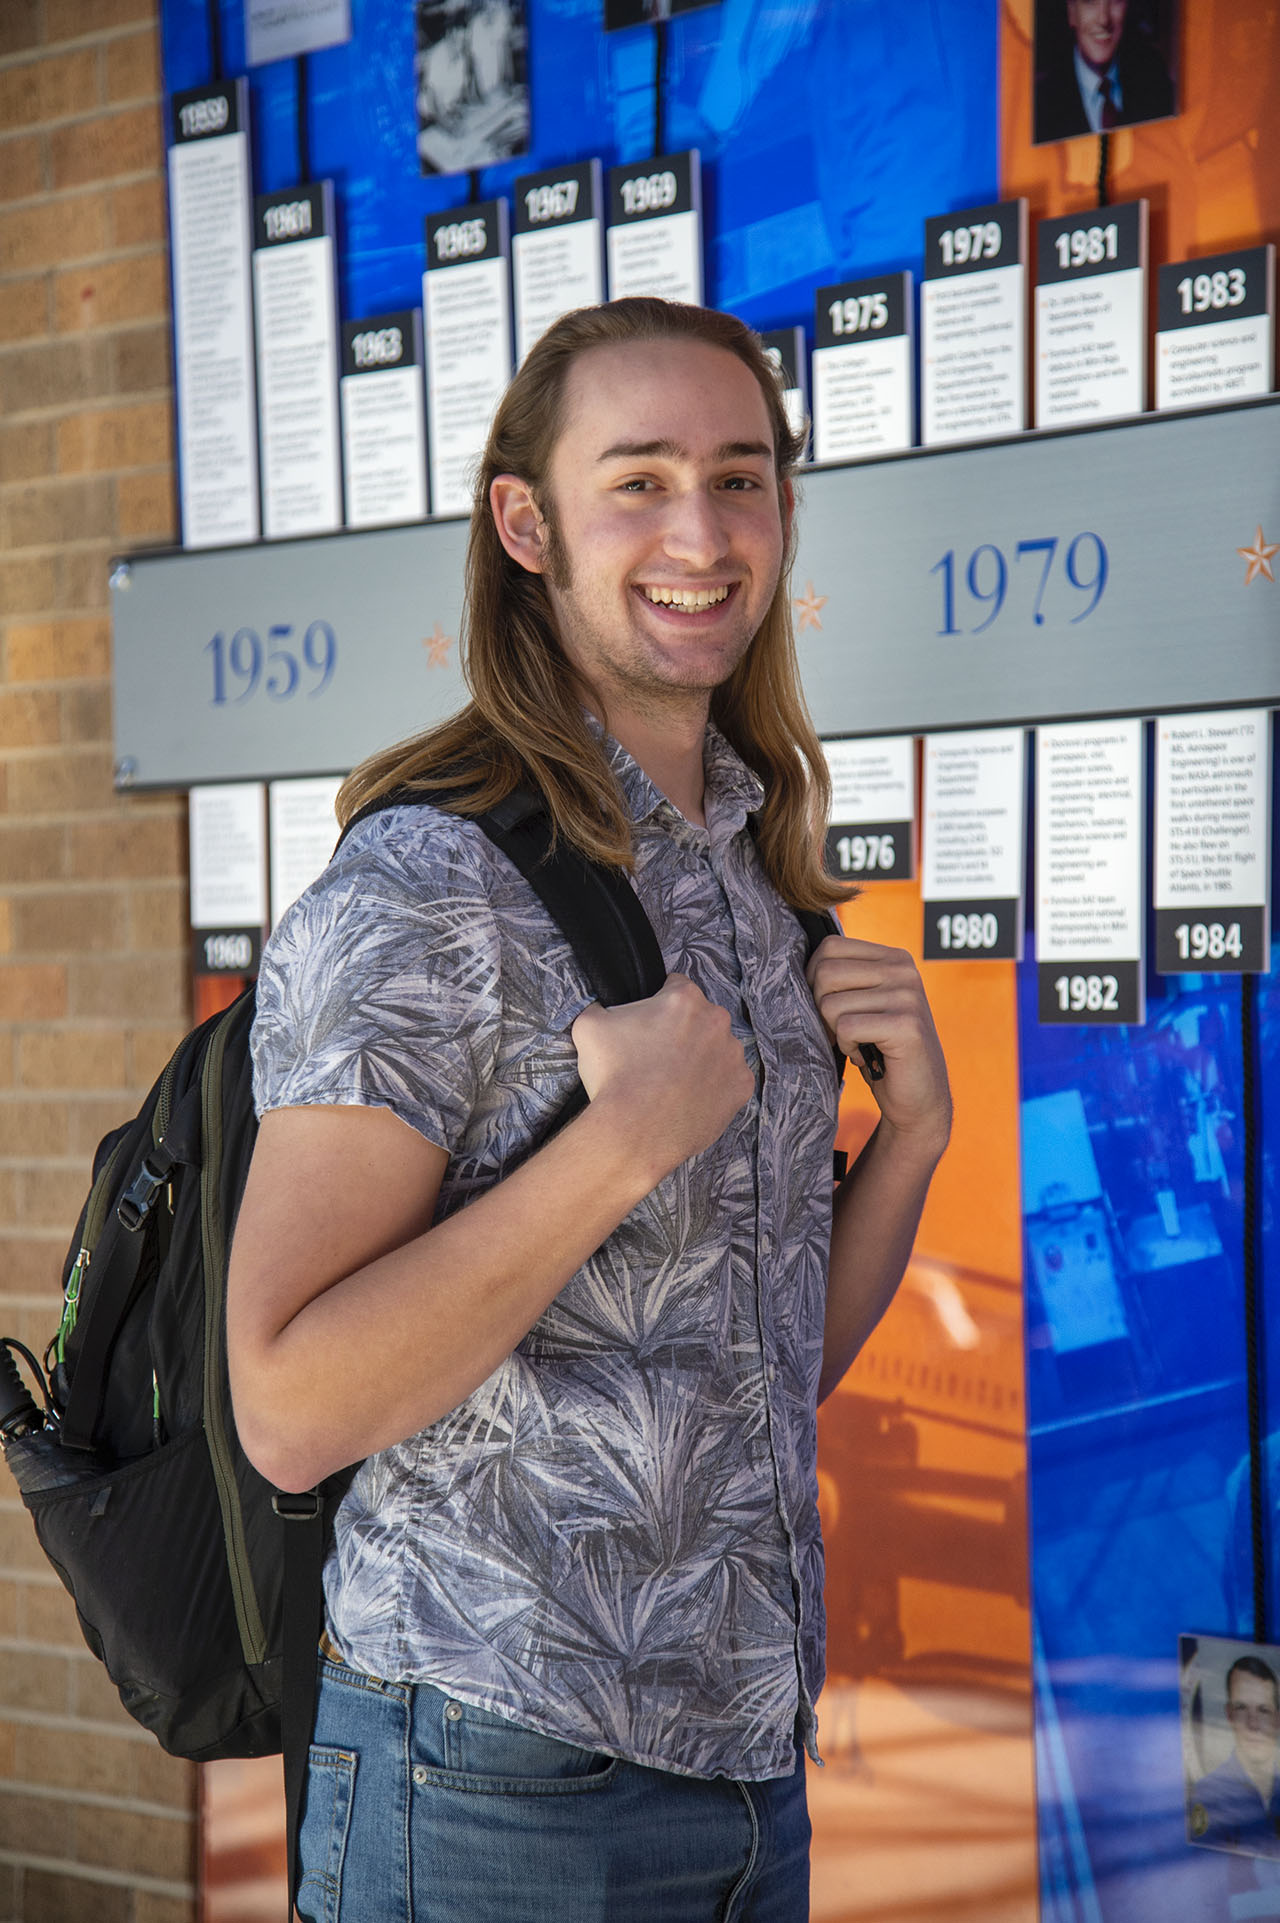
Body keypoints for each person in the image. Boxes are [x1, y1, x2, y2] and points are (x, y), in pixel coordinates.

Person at [226, 297, 951, 1922]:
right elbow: (286, 1399)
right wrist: (620, 1144)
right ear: (526, 524)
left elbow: (754, 1375)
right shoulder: (434, 882)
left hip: (751, 1767)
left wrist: (905, 1145)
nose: (703, 530)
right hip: (500, 1772)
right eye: (640, 480)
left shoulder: (758, 875)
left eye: (744, 477)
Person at [1034, 0, 1175, 143]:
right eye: (1090, 2)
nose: (1104, 19)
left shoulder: (1155, 82)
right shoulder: (1041, 104)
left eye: (1115, 1)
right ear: (1072, 13)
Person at [1190, 1657, 1280, 1856]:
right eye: (1241, 1708)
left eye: (1263, 1710)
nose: (1253, 1724)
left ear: (1277, 1719)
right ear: (1229, 1714)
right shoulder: (1209, 1794)